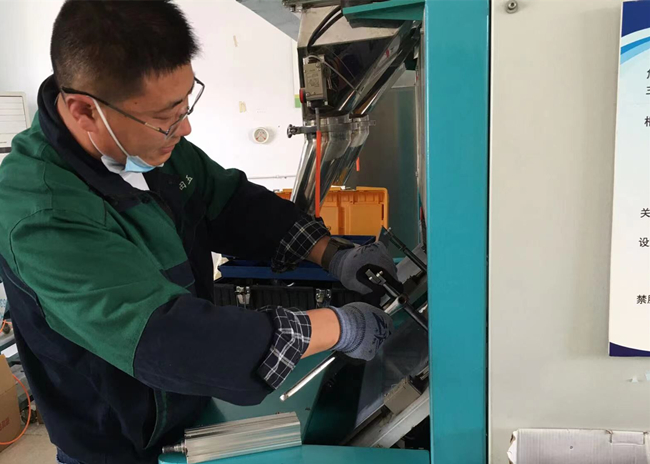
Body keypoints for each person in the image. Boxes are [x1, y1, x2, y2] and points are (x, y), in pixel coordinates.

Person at [0, 2, 400, 464]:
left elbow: (231, 204)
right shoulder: (41, 214)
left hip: (186, 412)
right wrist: (339, 326)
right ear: (85, 110)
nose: (184, 127)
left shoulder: (151, 149)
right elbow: (169, 339)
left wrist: (332, 253)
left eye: (186, 103)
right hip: (117, 444)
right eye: (165, 116)